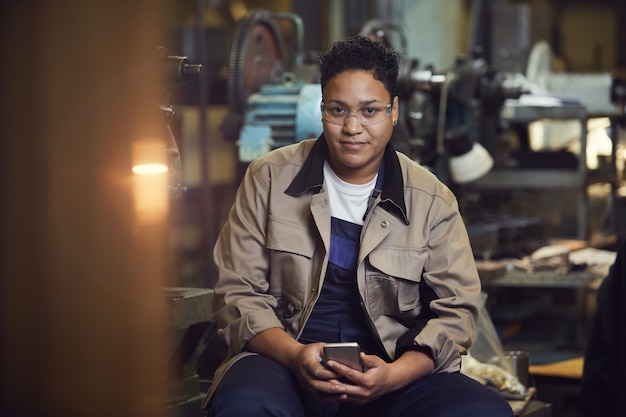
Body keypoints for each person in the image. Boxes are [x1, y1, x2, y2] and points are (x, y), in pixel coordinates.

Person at [203, 35, 513, 417]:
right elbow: (236, 292)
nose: (352, 127)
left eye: (369, 111)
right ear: (321, 110)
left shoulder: (433, 200)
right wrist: (295, 355)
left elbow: (456, 313)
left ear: (394, 111)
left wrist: (395, 375)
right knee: (246, 407)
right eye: (338, 110)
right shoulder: (268, 178)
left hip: (389, 373)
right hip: (283, 361)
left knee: (482, 411)